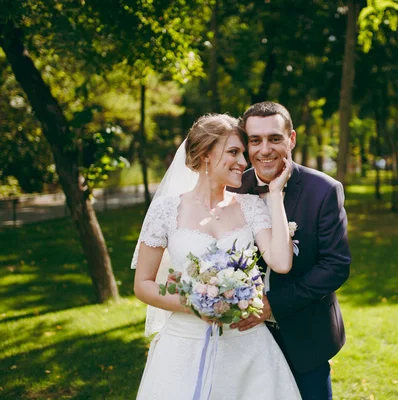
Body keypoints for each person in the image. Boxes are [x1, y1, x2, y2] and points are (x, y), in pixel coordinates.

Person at [131, 114, 301, 400]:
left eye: (243, 154)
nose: (244, 162)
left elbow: (282, 263)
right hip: (183, 343)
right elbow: (143, 284)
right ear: (205, 155)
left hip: (246, 346)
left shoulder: (251, 206)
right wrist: (196, 304)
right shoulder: (166, 210)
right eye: (233, 152)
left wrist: (274, 195)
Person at [229, 102, 351, 400]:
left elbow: (335, 265)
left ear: (292, 139)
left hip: (306, 334)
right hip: (243, 335)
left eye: (275, 138)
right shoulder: (232, 189)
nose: (264, 149)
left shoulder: (323, 190)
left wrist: (274, 304)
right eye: (255, 140)